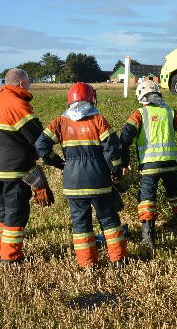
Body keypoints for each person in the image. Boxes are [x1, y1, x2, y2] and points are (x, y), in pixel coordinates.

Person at [35, 82, 129, 268]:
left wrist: (59, 163)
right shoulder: (99, 120)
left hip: (73, 182)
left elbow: (41, 146)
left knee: (80, 225)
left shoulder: (60, 121)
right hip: (99, 181)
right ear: (91, 99)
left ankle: (87, 264)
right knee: (109, 220)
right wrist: (116, 172)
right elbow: (112, 150)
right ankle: (118, 260)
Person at [0, 69, 44, 264]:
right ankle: (11, 257)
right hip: (15, 169)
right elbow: (38, 138)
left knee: (2, 210)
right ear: (20, 84)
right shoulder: (18, 105)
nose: (29, 86)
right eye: (28, 82)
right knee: (16, 212)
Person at [120, 80, 177, 247]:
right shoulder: (171, 112)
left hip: (149, 166)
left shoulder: (139, 114)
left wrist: (124, 161)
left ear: (141, 97)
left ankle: (148, 237)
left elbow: (125, 138)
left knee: (147, 199)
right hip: (172, 163)